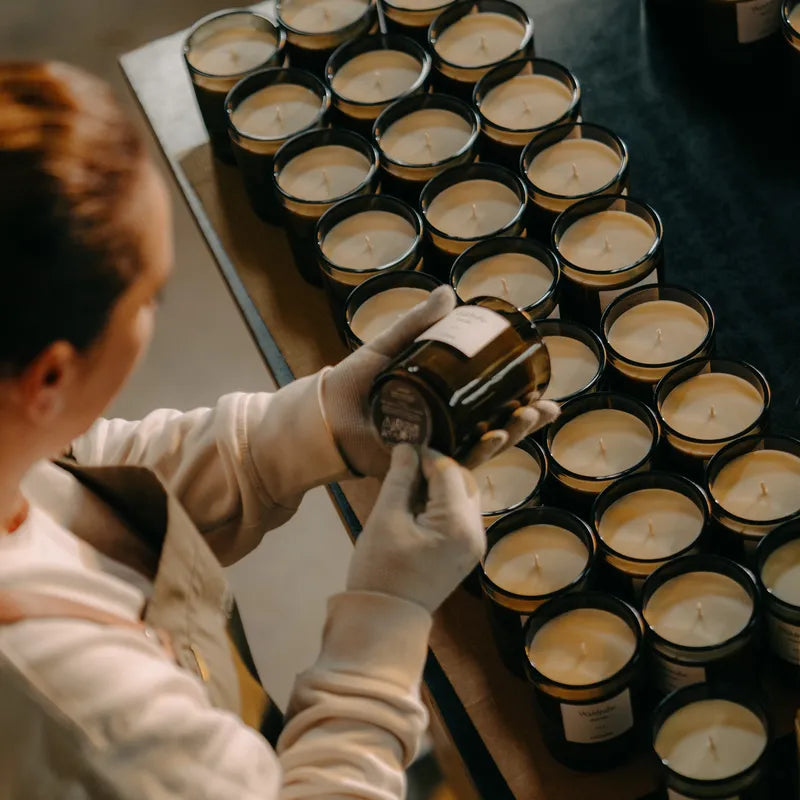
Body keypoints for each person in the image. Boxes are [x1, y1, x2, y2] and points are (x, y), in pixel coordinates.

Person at [0, 62, 559, 798]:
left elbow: (80, 474)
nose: (155, 315)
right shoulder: (83, 706)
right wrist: (385, 621)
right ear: (48, 378)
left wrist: (313, 425)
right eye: (149, 298)